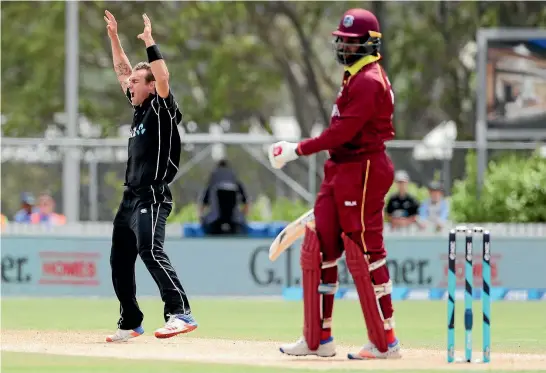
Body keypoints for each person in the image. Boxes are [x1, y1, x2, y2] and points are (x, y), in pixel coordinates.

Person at [268, 8, 401, 359]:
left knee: (364, 251)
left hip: (364, 169)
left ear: (369, 45)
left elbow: (343, 132)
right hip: (340, 169)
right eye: (341, 40)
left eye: (350, 41)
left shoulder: (370, 81)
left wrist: (296, 149)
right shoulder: (354, 76)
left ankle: (385, 340)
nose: (343, 46)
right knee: (319, 247)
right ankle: (317, 340)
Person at [103, 10, 197, 343]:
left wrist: (149, 42)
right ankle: (130, 321)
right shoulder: (139, 108)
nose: (128, 85)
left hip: (153, 195)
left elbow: (162, 76)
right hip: (130, 197)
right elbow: (123, 71)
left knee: (150, 251)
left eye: (134, 83)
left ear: (150, 86)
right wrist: (114, 37)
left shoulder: (161, 106)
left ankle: (180, 312)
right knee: (119, 259)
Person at [199, 159, 249, 235]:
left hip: (214, 224)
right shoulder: (236, 182)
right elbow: (246, 203)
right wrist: (242, 217)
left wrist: (202, 218)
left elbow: (202, 205)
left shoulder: (212, 183)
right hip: (235, 224)